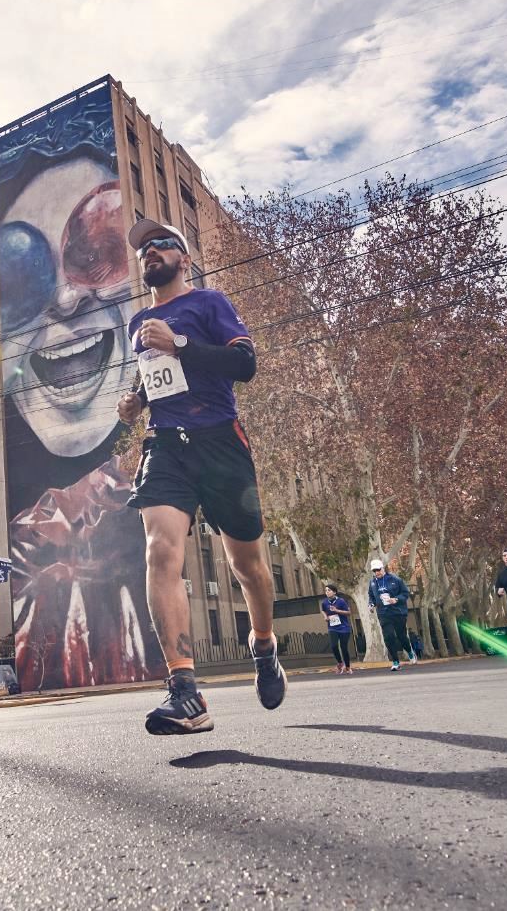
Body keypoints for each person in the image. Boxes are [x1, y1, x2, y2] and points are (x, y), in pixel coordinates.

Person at [117, 218, 286, 735]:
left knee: (248, 567)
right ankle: (186, 692)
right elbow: (156, 377)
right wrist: (135, 401)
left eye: (161, 245)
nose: (150, 252)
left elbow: (244, 364)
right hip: (166, 446)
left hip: (220, 442)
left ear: (183, 259)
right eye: (144, 248)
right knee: (160, 552)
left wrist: (181, 343)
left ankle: (263, 645)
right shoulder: (137, 323)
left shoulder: (210, 303)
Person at [367, 558, 412, 671]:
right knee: (388, 636)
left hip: (398, 612)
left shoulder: (395, 579)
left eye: (378, 570)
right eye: (374, 571)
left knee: (401, 636)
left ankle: (410, 652)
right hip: (383, 613)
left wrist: (396, 599)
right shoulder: (372, 582)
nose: (377, 572)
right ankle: (395, 661)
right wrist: (371, 604)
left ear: (383, 568)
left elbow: (405, 593)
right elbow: (371, 596)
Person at [321, 583, 354, 674]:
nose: (327, 592)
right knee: (334, 646)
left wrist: (337, 611)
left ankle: (347, 667)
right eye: (326, 591)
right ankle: (340, 663)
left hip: (343, 627)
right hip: (332, 627)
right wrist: (325, 617)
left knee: (344, 648)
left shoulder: (341, 601)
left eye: (329, 590)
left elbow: (348, 612)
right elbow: (323, 610)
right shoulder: (324, 602)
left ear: (334, 592)